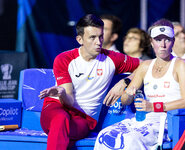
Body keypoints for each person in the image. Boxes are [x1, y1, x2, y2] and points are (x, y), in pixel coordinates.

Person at [39, 14, 140, 150]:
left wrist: (125, 81)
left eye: (101, 36)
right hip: (56, 107)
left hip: (84, 119)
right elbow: (68, 100)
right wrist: (61, 92)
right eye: (92, 37)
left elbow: (147, 65)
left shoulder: (112, 58)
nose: (98, 42)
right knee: (60, 119)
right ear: (80, 39)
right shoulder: (64, 59)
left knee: (63, 128)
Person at [94, 19, 185, 150]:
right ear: (152, 43)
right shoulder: (145, 66)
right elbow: (124, 100)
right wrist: (129, 94)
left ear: (173, 42)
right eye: (158, 40)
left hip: (166, 121)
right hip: (142, 120)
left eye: (167, 40)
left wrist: (153, 106)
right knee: (104, 135)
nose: (162, 44)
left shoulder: (180, 64)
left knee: (129, 140)